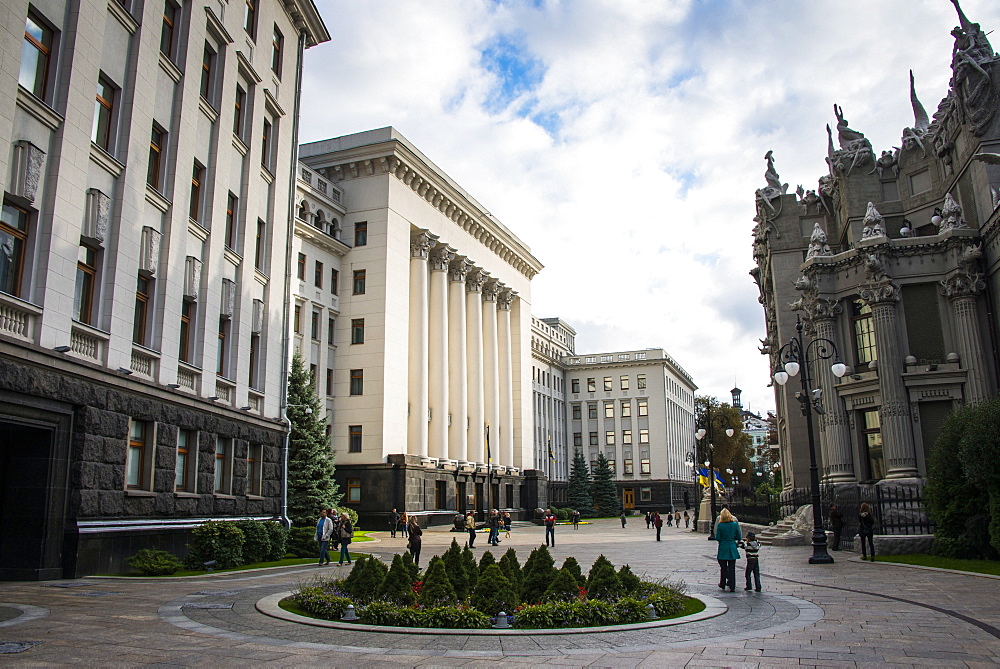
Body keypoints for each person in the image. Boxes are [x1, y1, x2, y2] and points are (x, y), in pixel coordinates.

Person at [715, 507, 742, 592]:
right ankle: (732, 585)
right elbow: (739, 536)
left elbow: (718, 537)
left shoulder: (720, 525)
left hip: (723, 547)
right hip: (732, 546)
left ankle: (722, 583)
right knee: (732, 567)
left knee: (723, 567)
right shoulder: (734, 524)